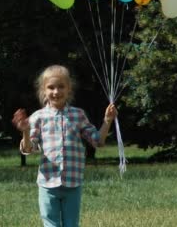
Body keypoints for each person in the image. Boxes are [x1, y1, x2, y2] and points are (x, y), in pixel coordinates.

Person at [12, 65, 117, 227]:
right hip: (47, 184)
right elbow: (28, 148)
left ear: (69, 89)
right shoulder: (38, 117)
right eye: (51, 87)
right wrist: (26, 132)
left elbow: (97, 141)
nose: (56, 91)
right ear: (43, 90)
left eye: (61, 87)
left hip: (73, 182)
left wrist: (107, 121)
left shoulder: (78, 115)